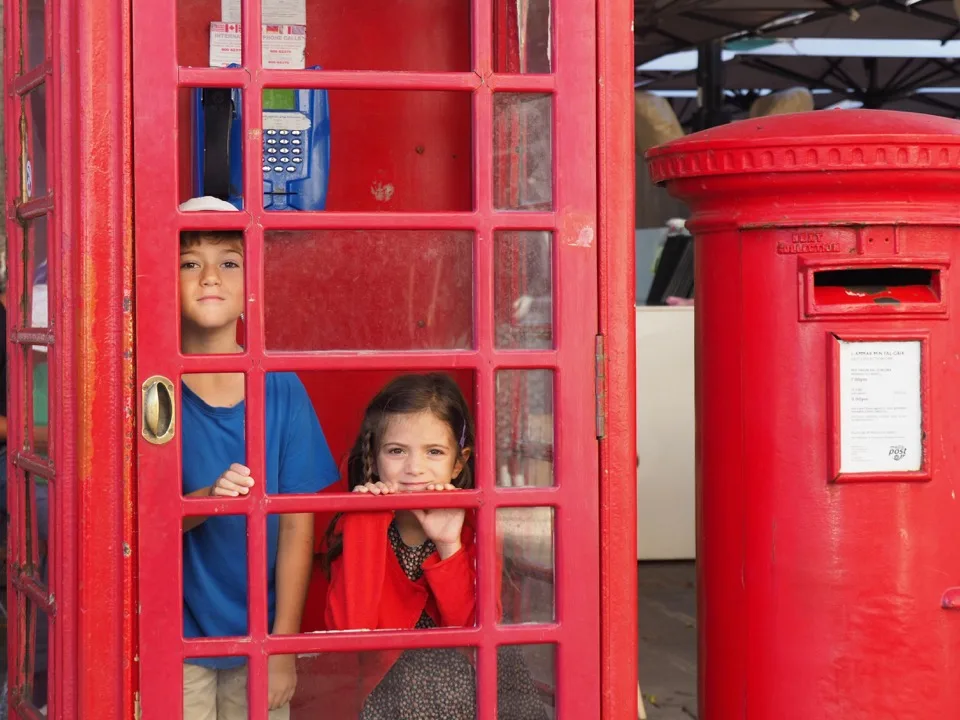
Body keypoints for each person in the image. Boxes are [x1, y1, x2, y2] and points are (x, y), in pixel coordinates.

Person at [178, 196, 339, 719]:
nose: (209, 277)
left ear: (250, 290)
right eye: (188, 263)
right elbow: (136, 521)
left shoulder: (281, 390)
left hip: (259, 633)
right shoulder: (152, 391)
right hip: (170, 634)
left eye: (228, 262)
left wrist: (281, 648)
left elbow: (297, 529)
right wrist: (204, 500)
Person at [324, 373, 546, 719]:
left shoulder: (474, 526)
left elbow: (475, 634)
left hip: (472, 700)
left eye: (434, 452)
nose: (415, 468)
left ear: (458, 462)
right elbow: (350, 632)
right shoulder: (358, 527)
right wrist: (366, 522)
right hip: (386, 698)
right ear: (374, 458)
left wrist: (448, 545)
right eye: (396, 451)